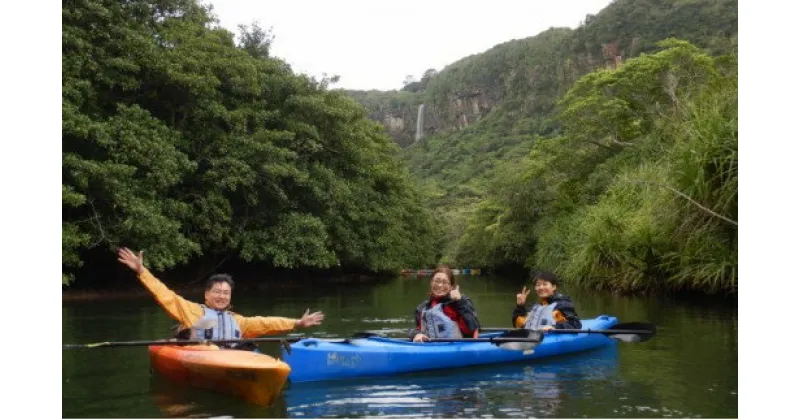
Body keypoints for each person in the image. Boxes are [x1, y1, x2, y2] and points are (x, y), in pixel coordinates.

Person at [117, 247, 324, 348]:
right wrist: (141, 270)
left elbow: (265, 322)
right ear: (207, 294)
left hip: (233, 356)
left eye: (226, 293)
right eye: (217, 292)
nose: (221, 296)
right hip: (204, 356)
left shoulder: (238, 321)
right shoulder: (193, 310)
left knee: (251, 342)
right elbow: (165, 295)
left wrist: (297, 322)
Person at [409, 264, 481, 342]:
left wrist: (460, 302)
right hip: (431, 349)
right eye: (437, 281)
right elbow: (419, 329)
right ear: (431, 283)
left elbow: (473, 329)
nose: (440, 285)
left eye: (445, 282)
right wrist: (415, 334)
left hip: (457, 349)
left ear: (451, 286)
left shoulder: (461, 302)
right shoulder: (422, 308)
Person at [512, 271, 581, 331]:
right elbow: (519, 325)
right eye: (538, 285)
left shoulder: (563, 303)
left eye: (545, 284)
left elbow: (576, 325)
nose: (541, 287)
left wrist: (555, 327)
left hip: (554, 338)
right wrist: (520, 306)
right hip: (535, 337)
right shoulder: (536, 306)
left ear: (554, 287)